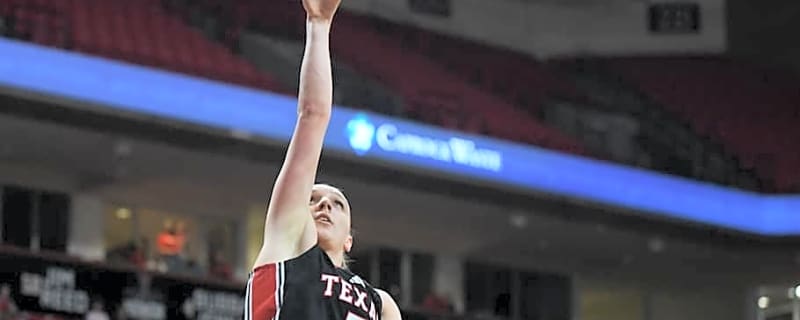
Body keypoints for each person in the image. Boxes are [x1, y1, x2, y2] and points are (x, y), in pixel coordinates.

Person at [245, 0, 402, 320]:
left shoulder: (380, 302)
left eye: (337, 203)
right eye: (313, 199)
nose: (324, 205)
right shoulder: (288, 246)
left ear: (349, 240)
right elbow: (312, 117)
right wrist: (319, 25)